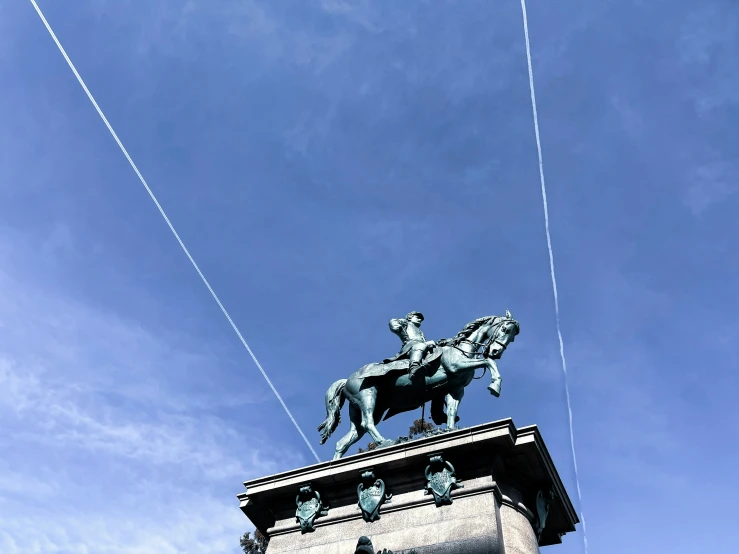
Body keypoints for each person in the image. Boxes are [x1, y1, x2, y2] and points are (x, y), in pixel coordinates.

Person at [384, 311, 436, 379]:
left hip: (422, 345)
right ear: (410, 317)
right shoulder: (406, 323)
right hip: (411, 345)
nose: (420, 320)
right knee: (420, 346)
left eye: (421, 319)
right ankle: (414, 367)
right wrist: (396, 327)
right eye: (417, 317)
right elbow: (393, 321)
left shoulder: (420, 332)